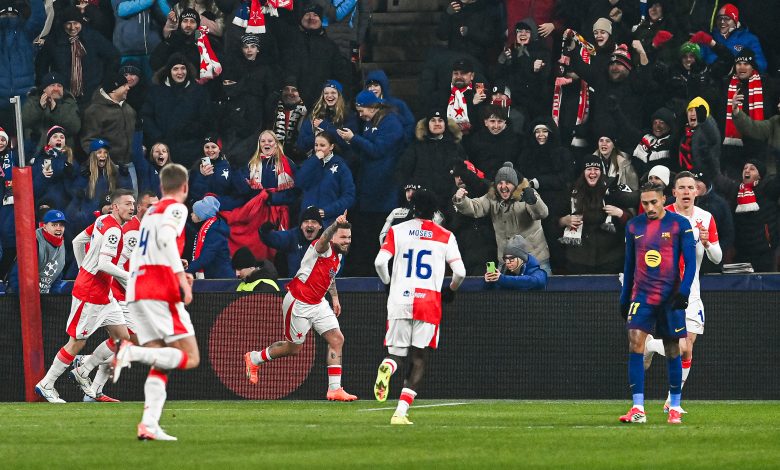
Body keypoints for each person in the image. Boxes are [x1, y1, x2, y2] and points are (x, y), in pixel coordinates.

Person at [113, 163, 200, 441]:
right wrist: (180, 279)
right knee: (190, 357)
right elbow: (165, 239)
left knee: (160, 360)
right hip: (158, 289)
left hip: (136, 289)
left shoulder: (149, 212)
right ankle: (130, 352)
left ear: (162, 187)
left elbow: (149, 247)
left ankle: (149, 424)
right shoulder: (176, 208)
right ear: (184, 187)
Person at [373, 189, 466, 425]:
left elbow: (380, 262)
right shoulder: (445, 235)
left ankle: (388, 365)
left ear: (413, 209)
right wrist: (451, 291)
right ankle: (400, 413)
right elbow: (460, 273)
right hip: (428, 302)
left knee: (396, 353)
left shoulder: (397, 231)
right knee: (419, 358)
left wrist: (387, 284)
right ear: (434, 212)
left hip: (399, 299)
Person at [244, 210, 358, 402]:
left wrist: (335, 298)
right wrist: (333, 226)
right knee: (293, 348)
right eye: (343, 237)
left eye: (349, 237)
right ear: (333, 237)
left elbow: (329, 277)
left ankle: (334, 389)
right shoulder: (322, 246)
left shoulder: (338, 256)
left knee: (337, 339)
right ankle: (254, 358)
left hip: (318, 302)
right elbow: (323, 240)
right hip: (299, 301)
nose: (347, 241)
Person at [34, 189, 135, 403]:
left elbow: (78, 242)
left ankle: (84, 369)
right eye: (127, 204)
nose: (132, 207)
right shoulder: (114, 231)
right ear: (116, 207)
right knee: (77, 342)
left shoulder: (102, 221)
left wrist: (83, 269)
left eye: (133, 203)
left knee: (122, 337)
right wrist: (130, 276)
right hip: (90, 293)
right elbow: (104, 264)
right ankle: (46, 384)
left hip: (103, 292)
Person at [643, 171, 722, 412]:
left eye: (691, 187)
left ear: (697, 191)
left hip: (693, 291)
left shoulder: (706, 217)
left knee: (687, 348)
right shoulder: (663, 216)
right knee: (682, 346)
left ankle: (671, 401)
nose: (687, 191)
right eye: (682, 188)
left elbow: (717, 258)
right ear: (673, 192)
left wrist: (708, 244)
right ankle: (652, 348)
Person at [619, 182, 696, 425]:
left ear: (664, 199)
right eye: (645, 203)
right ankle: (638, 408)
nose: (649, 207)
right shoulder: (634, 226)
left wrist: (683, 292)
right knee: (634, 342)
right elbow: (629, 266)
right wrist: (624, 297)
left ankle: (674, 406)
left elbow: (691, 262)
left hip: (670, 296)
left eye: (654, 202)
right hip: (642, 295)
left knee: (673, 348)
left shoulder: (679, 224)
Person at [453, 161, 551, 274]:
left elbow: (542, 214)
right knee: (504, 292)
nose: (503, 186)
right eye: (500, 183)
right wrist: (461, 200)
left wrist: (533, 201)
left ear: (515, 184)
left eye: (508, 182)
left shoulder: (528, 193)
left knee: (543, 291)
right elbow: (475, 208)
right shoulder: (492, 197)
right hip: (506, 263)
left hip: (534, 259)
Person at [295, 131, 355, 227]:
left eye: (322, 145)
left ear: (331, 146)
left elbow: (349, 196)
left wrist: (327, 211)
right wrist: (314, 160)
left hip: (329, 221)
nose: (318, 148)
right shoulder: (310, 163)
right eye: (316, 145)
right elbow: (299, 182)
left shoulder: (341, 165)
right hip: (307, 220)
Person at [80, 72, 135, 165]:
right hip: (107, 166)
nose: (128, 88)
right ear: (114, 89)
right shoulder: (95, 111)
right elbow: (88, 141)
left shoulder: (129, 109)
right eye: (124, 85)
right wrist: (101, 163)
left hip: (129, 164)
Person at [7, 209, 67, 294]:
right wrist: (25, 299)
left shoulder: (62, 245)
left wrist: (54, 299)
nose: (58, 228)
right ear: (45, 226)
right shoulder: (33, 241)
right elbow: (17, 274)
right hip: (23, 297)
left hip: (44, 297)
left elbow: (57, 276)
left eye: (61, 225)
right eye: (54, 225)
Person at [21, 72, 81, 152]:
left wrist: (55, 110)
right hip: (35, 154)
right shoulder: (32, 101)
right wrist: (39, 108)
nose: (56, 89)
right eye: (52, 85)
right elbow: (23, 121)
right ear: (44, 89)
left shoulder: (69, 103)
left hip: (62, 154)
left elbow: (75, 127)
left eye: (59, 86)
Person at [260, 205, 323, 277]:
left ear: (320, 226)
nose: (309, 225)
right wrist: (265, 232)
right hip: (296, 284)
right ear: (301, 226)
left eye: (314, 222)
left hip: (321, 285)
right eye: (306, 222)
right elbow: (275, 238)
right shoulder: (293, 236)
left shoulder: (327, 239)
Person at [187, 195, 233, 279]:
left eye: (194, 212)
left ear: (201, 215)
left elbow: (206, 257)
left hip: (221, 280)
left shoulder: (215, 230)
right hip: (215, 277)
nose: (191, 214)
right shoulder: (209, 226)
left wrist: (186, 272)